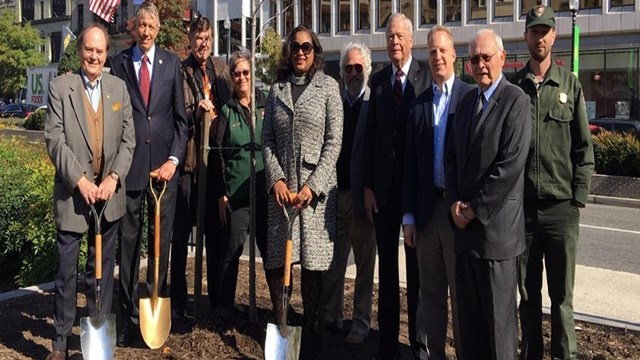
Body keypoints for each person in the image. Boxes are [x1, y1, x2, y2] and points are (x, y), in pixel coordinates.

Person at [43, 22, 135, 360]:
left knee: (101, 271)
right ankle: (61, 340)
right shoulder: (60, 87)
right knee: (67, 272)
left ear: (106, 53)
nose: (94, 56)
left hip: (108, 197)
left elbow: (129, 140)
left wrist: (113, 178)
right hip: (73, 195)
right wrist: (80, 180)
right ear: (80, 51)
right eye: (89, 50)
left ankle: (95, 334)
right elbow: (54, 139)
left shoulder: (118, 88)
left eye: (100, 51)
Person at [511, 6, 595, 360]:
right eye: (534, 31)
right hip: (525, 214)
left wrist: (578, 198)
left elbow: (583, 148)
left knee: (562, 299)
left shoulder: (570, 84)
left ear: (554, 35)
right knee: (528, 297)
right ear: (526, 36)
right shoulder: (514, 88)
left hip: (561, 211)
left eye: (545, 31)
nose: (540, 37)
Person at [444, 29, 531, 360]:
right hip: (465, 238)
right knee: (470, 329)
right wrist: (454, 203)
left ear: (502, 59)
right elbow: (450, 156)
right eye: (475, 59)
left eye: (486, 57)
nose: (480, 64)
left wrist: (472, 211)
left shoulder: (516, 101)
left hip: (496, 239)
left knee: (499, 333)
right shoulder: (465, 101)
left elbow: (509, 167)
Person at [262, 25, 342, 359]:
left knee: (314, 272)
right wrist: (277, 180)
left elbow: (334, 141)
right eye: (295, 46)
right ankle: (283, 332)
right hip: (283, 197)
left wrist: (314, 185)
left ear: (315, 51)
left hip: (315, 199)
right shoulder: (276, 89)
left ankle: (313, 338)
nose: (300, 52)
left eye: (307, 47)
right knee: (279, 268)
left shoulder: (328, 87)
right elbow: (266, 139)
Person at [110, 1, 188, 347]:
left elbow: (181, 123)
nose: (146, 32)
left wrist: (173, 160)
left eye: (151, 27)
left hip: (164, 173)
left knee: (161, 244)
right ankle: (126, 314)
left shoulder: (172, 64)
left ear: (158, 30)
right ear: (134, 27)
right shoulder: (119, 64)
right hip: (131, 169)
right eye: (141, 25)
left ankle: (156, 304)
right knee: (128, 246)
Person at [402, 25, 471, 360]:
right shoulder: (418, 104)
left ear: (454, 54)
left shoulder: (469, 98)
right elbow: (410, 166)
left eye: (443, 50)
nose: (438, 57)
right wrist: (409, 217)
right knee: (429, 293)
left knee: (460, 294)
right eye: (432, 52)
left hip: (457, 213)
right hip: (426, 213)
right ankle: (432, 355)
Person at [363, 12, 430, 360]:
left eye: (400, 36)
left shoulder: (426, 77)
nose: (395, 42)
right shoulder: (377, 81)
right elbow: (370, 137)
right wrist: (368, 188)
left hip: (416, 195)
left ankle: (419, 345)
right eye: (390, 37)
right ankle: (387, 344)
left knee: (417, 275)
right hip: (384, 195)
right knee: (387, 274)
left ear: (412, 40)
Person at [172, 15, 232, 319]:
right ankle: (179, 301)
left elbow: (231, 107)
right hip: (190, 163)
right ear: (190, 40)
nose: (203, 43)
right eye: (198, 38)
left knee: (215, 233)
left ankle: (217, 299)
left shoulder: (220, 70)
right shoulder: (181, 71)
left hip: (215, 161)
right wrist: (197, 109)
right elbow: (178, 113)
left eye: (207, 37)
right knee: (181, 235)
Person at [320, 42, 376, 344]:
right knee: (333, 262)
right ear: (341, 72)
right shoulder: (335, 102)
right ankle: (331, 316)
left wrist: (371, 189)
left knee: (365, 265)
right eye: (348, 68)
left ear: (366, 69)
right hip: (333, 194)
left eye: (358, 67)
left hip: (361, 196)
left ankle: (361, 322)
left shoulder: (373, 103)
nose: (353, 73)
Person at [209, 50, 269, 313]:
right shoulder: (226, 112)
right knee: (232, 252)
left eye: (245, 72)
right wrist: (222, 194)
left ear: (252, 75)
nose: (242, 77)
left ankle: (277, 308)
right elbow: (218, 156)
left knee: (271, 254)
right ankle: (224, 306)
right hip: (237, 198)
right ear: (231, 78)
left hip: (265, 195)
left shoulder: (265, 106)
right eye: (237, 73)